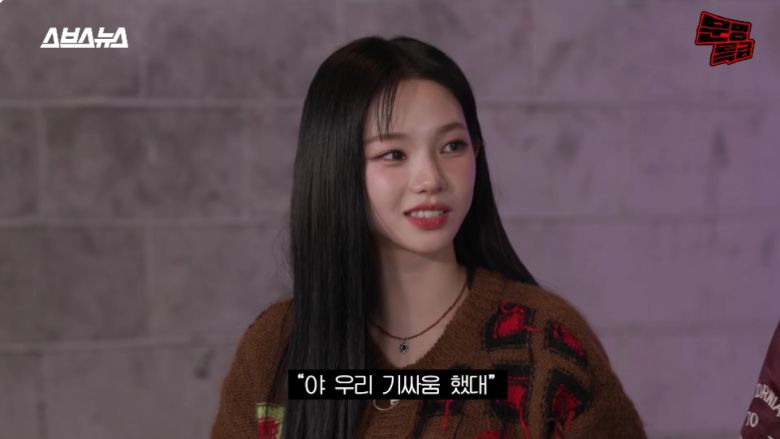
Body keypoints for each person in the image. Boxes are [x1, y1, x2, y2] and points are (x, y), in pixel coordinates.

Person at [211, 35, 647, 439]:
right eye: (394, 154)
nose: (431, 179)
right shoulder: (274, 351)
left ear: (477, 151)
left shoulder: (547, 342)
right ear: (336, 169)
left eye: (452, 146)